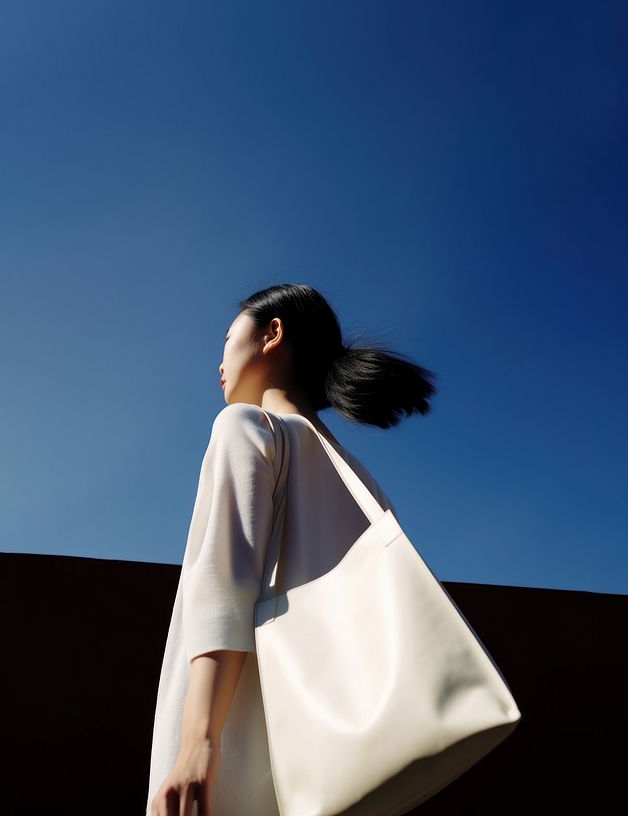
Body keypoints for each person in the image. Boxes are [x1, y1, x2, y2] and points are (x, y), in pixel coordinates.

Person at [146, 283, 437, 816]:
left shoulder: (244, 426)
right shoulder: (360, 482)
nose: (219, 362)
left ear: (271, 333)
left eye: (228, 337)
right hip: (329, 766)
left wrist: (196, 744)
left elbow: (223, 587)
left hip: (234, 756)